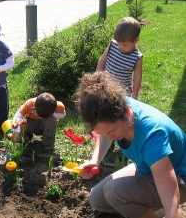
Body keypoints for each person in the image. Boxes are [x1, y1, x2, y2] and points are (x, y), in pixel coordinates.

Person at [75, 71, 186, 218]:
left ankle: (156, 212)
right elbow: (107, 131)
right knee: (97, 199)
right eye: (104, 133)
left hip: (178, 179)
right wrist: (95, 160)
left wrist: (173, 214)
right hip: (148, 168)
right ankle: (150, 208)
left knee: (115, 192)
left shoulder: (152, 135)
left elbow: (170, 193)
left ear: (127, 112)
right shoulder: (115, 106)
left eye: (113, 131)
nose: (110, 137)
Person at [96, 17, 143, 99]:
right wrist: (97, 77)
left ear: (136, 40)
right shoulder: (113, 45)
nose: (120, 46)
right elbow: (103, 60)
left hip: (123, 92)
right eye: (118, 43)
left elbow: (137, 77)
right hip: (106, 85)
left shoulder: (137, 57)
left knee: (120, 110)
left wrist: (134, 95)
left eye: (125, 44)